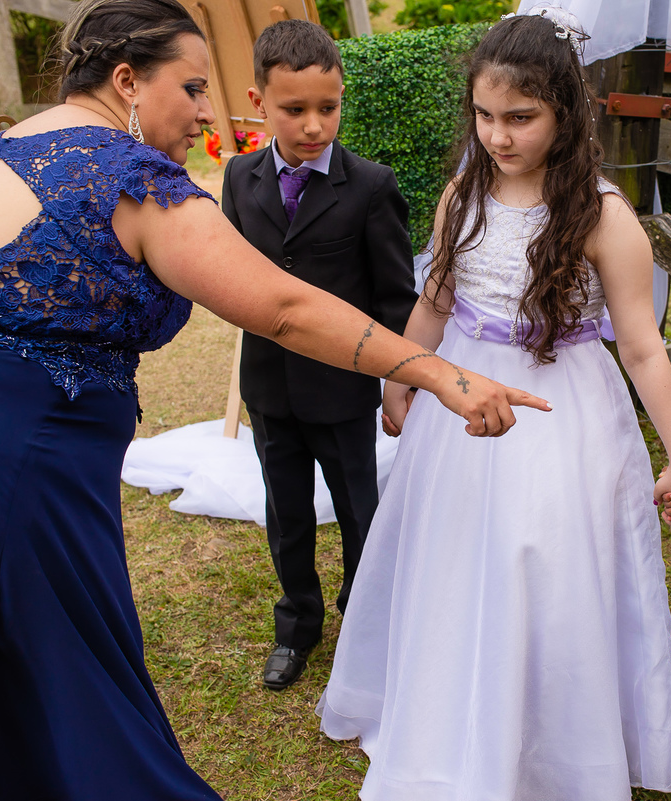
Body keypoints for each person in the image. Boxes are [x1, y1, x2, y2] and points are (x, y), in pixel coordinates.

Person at [0, 0, 548, 797]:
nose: (208, 111)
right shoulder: (125, 176)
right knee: (66, 707)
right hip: (0, 489)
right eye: (191, 87)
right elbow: (283, 307)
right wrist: (440, 372)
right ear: (127, 81)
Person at [316, 10, 671, 800]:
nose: (498, 135)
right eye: (485, 116)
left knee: (542, 555)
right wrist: (404, 375)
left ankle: (545, 731)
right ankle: (451, 702)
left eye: (520, 118)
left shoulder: (603, 217)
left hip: (561, 406)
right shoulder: (462, 194)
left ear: (566, 111)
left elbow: (641, 347)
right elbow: (436, 297)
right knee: (456, 543)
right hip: (461, 395)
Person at [220, 20, 417, 691]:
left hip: (342, 388)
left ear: (341, 98)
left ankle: (365, 622)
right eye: (294, 109)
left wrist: (396, 380)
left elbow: (395, 296)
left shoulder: (370, 186)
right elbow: (232, 274)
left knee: (359, 509)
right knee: (287, 515)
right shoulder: (238, 177)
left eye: (327, 108)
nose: (313, 125)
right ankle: (297, 625)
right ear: (259, 102)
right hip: (269, 387)